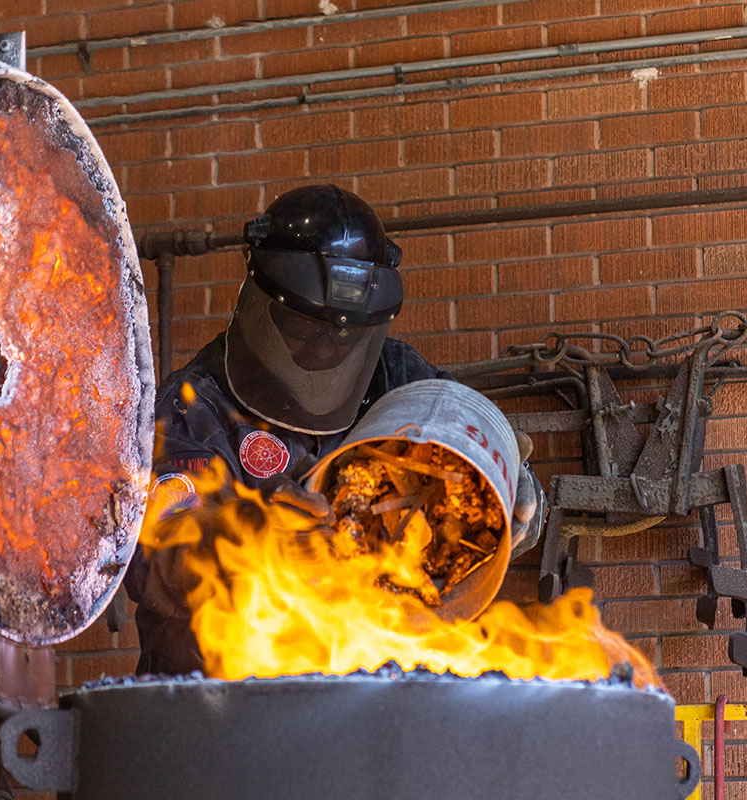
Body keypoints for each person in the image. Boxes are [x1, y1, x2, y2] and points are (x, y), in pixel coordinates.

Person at [123, 184, 544, 675]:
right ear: (262, 297)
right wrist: (256, 540)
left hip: (364, 702)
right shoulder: (191, 408)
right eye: (304, 327)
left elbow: (476, 459)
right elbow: (153, 552)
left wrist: (516, 498)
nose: (325, 347)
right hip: (216, 705)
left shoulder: (399, 378)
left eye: (345, 333)